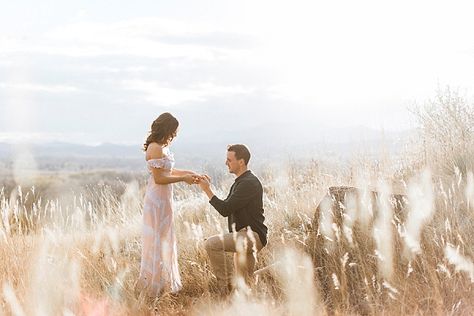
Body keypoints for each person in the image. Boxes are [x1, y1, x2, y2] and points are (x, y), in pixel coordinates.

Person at [137, 112, 200, 297]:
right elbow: (159, 178)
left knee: (165, 239)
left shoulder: (162, 147)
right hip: (157, 200)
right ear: (167, 128)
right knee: (156, 241)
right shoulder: (155, 147)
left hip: (165, 199)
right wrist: (183, 179)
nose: (175, 135)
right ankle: (152, 287)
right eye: (173, 131)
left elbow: (169, 170)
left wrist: (191, 173)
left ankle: (162, 283)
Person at [197, 144, 267, 294]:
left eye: (229, 159)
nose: (225, 162)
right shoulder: (241, 182)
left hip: (251, 236)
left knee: (211, 244)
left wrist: (207, 190)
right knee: (244, 284)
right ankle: (280, 267)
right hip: (245, 236)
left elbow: (225, 209)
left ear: (241, 162)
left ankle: (225, 288)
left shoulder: (248, 183)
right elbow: (227, 206)